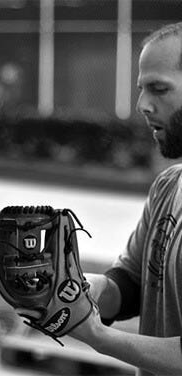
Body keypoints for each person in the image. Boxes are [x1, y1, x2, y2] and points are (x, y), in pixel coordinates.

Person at [67, 22, 182, 376]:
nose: (142, 104)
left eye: (159, 89)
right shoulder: (169, 186)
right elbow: (135, 283)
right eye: (141, 89)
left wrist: (97, 335)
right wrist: (88, 290)